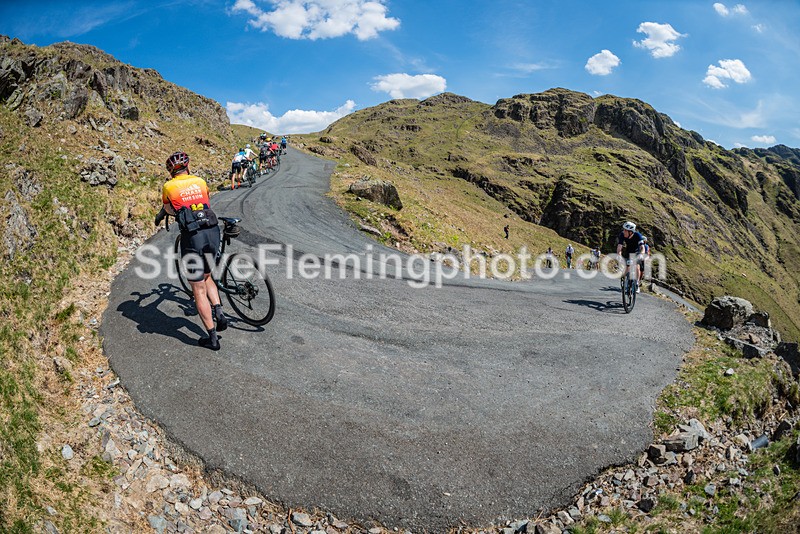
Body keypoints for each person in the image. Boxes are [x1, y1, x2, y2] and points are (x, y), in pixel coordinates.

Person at [155, 151, 228, 350]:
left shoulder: (168, 186)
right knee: (207, 275)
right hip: (212, 231)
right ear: (188, 166)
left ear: (171, 171)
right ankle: (219, 312)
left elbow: (169, 209)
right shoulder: (200, 181)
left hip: (193, 236)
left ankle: (212, 339)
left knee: (197, 288)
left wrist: (169, 212)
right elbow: (206, 202)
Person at [616, 221, 646, 293]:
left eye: (625, 230)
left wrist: (642, 254)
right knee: (626, 267)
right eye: (624, 230)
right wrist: (619, 255)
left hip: (636, 252)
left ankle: (637, 284)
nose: (624, 231)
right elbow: (619, 247)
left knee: (637, 266)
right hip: (628, 251)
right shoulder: (622, 235)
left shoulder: (638, 235)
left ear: (631, 232)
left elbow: (642, 247)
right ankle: (625, 281)